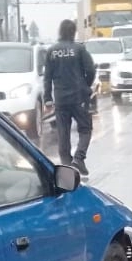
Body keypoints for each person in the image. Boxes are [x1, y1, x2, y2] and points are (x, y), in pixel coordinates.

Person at [42, 19, 97, 176]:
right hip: (79, 97)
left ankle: (66, 165)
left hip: (60, 98)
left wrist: (48, 98)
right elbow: (91, 70)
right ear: (73, 32)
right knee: (85, 129)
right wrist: (86, 86)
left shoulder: (52, 51)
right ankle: (79, 158)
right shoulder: (79, 49)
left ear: (60, 31)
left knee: (63, 132)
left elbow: (47, 77)